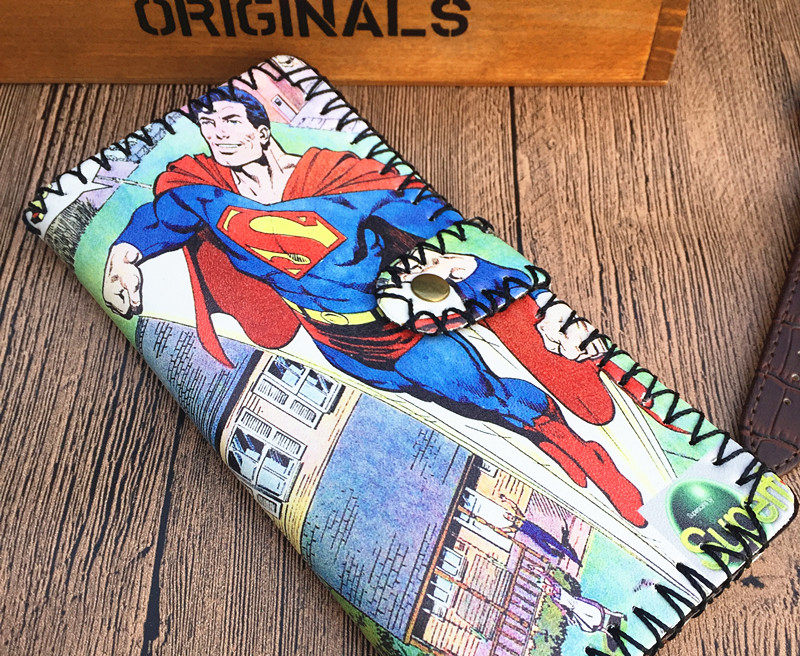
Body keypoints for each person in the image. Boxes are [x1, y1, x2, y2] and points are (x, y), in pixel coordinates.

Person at [101, 84, 645, 526]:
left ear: (261, 129)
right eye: (209, 125)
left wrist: (521, 291)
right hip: (337, 346)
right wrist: (124, 254)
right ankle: (540, 437)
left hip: (401, 334)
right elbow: (165, 215)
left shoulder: (342, 181)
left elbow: (441, 230)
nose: (219, 135)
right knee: (456, 406)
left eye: (230, 121)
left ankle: (579, 450)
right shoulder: (206, 194)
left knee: (485, 393)